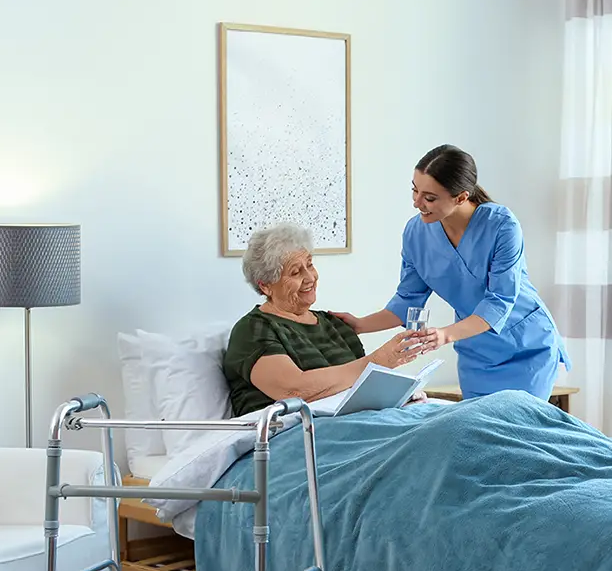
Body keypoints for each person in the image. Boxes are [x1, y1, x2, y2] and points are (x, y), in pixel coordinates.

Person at [331, 144, 570, 401]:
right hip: (476, 352)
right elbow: (407, 300)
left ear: (461, 197)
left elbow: (499, 302)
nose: (417, 203)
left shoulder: (502, 226)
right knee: (477, 425)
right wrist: (360, 325)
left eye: (429, 198)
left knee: (519, 422)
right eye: (415, 190)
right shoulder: (416, 233)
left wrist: (444, 335)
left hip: (527, 348)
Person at [223, 222, 425, 416]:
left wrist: (399, 396)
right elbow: (294, 390)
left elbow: (360, 390)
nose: (310, 277)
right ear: (266, 286)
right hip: (296, 430)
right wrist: (379, 361)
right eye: (295, 272)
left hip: (354, 422)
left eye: (310, 264)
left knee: (438, 418)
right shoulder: (253, 329)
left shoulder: (335, 324)